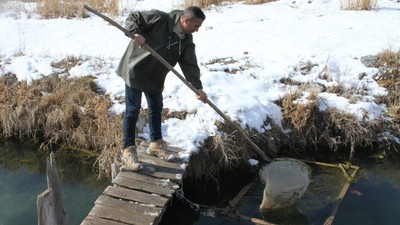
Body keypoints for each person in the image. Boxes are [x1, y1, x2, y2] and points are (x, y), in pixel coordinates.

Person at [116, 6, 208, 170]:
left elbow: (190, 65)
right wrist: (135, 33)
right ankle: (128, 150)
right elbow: (134, 17)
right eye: (196, 26)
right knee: (132, 110)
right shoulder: (160, 19)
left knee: (156, 108)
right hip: (136, 70)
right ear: (186, 20)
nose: (197, 30)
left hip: (156, 76)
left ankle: (156, 144)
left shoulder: (186, 39)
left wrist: (198, 88)